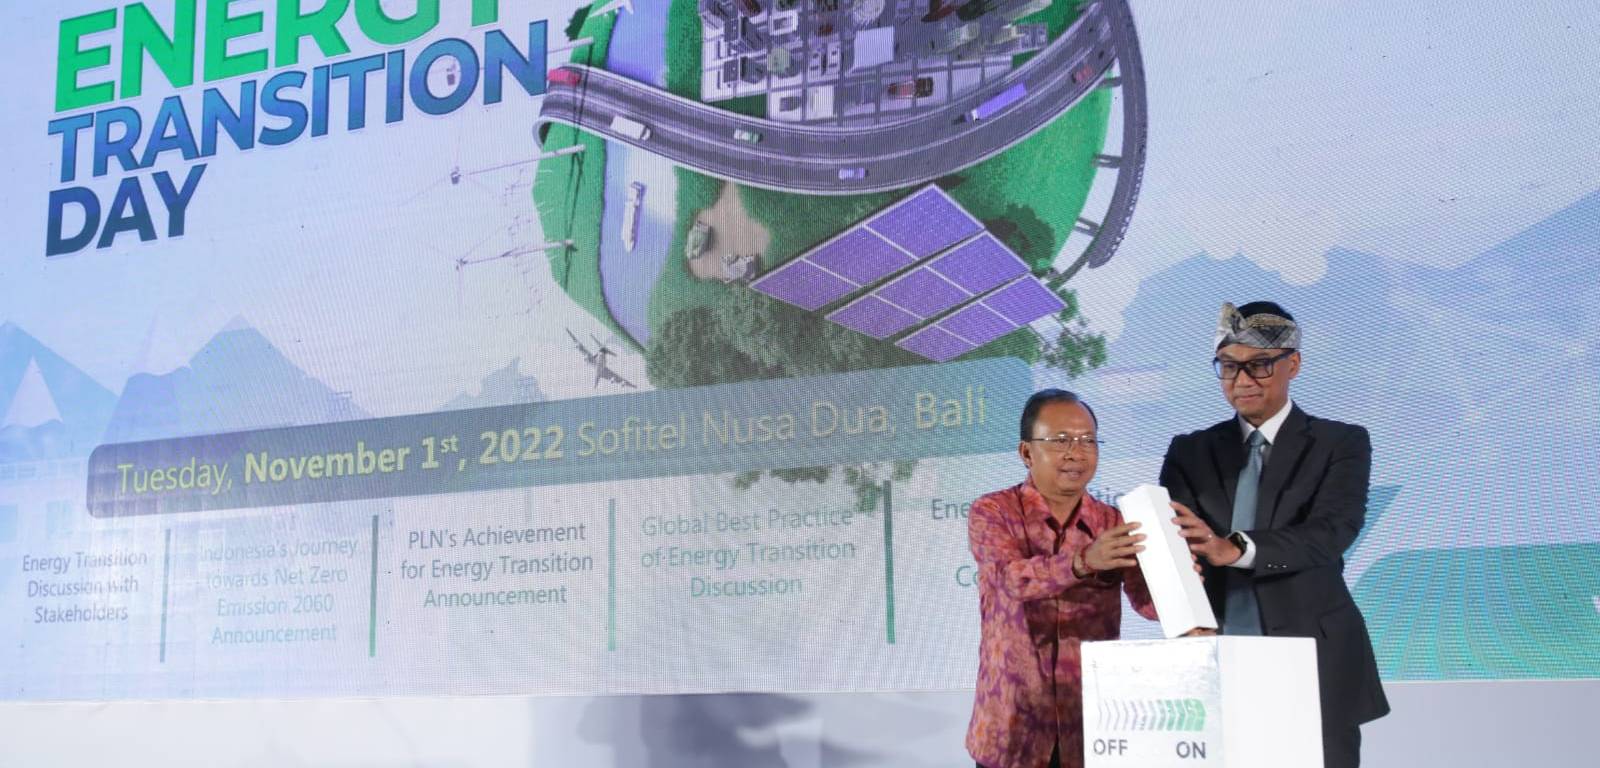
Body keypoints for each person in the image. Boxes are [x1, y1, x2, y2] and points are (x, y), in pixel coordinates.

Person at [1163, 302, 1390, 768]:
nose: (1242, 380)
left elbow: (1333, 531)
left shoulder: (1340, 442)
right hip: (1216, 659)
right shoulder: (1189, 450)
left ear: (1294, 364)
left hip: (1314, 658)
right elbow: (1175, 549)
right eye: (1229, 366)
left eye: (1260, 365)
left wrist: (1234, 548)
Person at [966, 389, 1165, 768]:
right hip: (1013, 726)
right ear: (1027, 453)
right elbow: (1012, 580)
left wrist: (1183, 575)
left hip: (1091, 727)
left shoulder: (1115, 521)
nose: (1077, 453)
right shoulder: (992, 511)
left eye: (1088, 440)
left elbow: (1147, 603)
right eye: (1061, 441)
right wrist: (1083, 561)